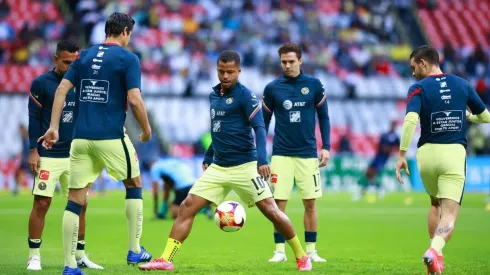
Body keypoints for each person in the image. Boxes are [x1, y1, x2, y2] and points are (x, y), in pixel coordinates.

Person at [138, 51, 312, 271]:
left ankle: (301, 255)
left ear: (238, 71)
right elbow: (218, 129)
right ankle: (166, 259)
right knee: (187, 207)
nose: (225, 76)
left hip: (245, 166)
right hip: (218, 167)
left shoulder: (245, 96)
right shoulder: (214, 95)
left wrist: (261, 159)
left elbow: (259, 127)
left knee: (272, 211)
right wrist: (210, 154)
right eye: (221, 71)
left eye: (230, 72)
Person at [38, 13, 153, 275]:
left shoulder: (85, 56)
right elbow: (134, 100)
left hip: (79, 141)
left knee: (74, 200)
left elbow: (60, 91)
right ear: (125, 31)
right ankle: (135, 249)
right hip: (111, 137)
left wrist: (53, 127)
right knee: (134, 184)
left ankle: (70, 267)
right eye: (130, 34)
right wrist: (146, 130)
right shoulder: (128, 58)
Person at [395, 45, 490, 275]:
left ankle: (437, 260)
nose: (412, 72)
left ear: (424, 63)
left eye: (413, 67)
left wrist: (401, 154)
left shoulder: (417, 87)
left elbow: (409, 121)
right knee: (449, 214)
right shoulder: (462, 84)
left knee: (434, 204)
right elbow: (485, 116)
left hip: (426, 155)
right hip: (453, 154)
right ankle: (434, 251)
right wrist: (467, 115)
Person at [26, 40, 102, 271]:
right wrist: (32, 151)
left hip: (76, 154)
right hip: (49, 154)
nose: (71, 66)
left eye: (75, 62)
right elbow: (34, 119)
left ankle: (79, 255)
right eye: (66, 62)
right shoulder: (41, 83)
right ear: (56, 59)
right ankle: (34, 256)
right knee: (42, 203)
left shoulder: (82, 83)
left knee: (82, 204)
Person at [262, 43, 330, 263]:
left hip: (308, 154)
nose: (287, 65)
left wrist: (326, 147)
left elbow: (324, 117)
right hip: (281, 154)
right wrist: (261, 156)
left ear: (300, 61)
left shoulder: (314, 85)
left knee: (310, 204)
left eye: (291, 61)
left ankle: (311, 251)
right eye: (283, 62)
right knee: (278, 204)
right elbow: (262, 123)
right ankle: (279, 251)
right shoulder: (273, 88)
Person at [355, 121, 400, 202]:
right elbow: (380, 146)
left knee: (371, 173)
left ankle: (365, 192)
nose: (393, 126)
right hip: (377, 157)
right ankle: (379, 188)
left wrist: (392, 151)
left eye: (395, 125)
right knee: (368, 174)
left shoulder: (396, 137)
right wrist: (388, 149)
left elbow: (399, 147)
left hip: (383, 159)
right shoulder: (385, 135)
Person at [14, 125, 30, 196]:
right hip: (24, 160)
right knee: (18, 173)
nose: (19, 132)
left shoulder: (27, 138)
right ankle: (17, 188)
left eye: (20, 130)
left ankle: (55, 187)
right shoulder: (23, 138)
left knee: (37, 174)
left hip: (28, 160)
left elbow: (29, 149)